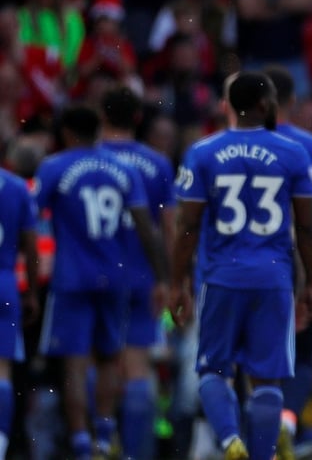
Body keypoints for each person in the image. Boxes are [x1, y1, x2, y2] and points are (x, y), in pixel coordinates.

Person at [169, 71, 312, 460]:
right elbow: (306, 226)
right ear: (266, 104)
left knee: (213, 372)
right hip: (273, 278)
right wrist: (311, 285)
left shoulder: (203, 152)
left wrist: (177, 283)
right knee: (267, 381)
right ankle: (261, 454)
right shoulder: (294, 153)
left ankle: (228, 439)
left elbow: (187, 227)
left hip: (221, 276)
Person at [35, 105, 166, 460]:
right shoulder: (124, 170)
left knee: (75, 363)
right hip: (116, 276)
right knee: (110, 358)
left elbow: (32, 219)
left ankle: (81, 443)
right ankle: (106, 438)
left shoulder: (54, 167)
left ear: (65, 134)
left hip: (72, 278)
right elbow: (146, 227)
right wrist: (162, 276)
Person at [264, 65, 312, 458]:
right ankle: (286, 423)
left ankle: (246, 433)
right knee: (301, 349)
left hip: (244, 262)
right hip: (296, 260)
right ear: (291, 101)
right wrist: (300, 228)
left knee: (255, 349)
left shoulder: (230, 146)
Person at [99, 86, 177, 460]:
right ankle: (135, 453)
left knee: (95, 362)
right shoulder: (157, 163)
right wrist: (174, 279)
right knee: (137, 369)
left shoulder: (82, 159)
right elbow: (170, 227)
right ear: (137, 119)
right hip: (144, 277)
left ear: (102, 118)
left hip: (94, 277)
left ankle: (98, 445)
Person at [0, 161, 39, 460]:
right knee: (3, 371)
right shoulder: (15, 187)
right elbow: (31, 244)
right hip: (5, 283)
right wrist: (33, 292)